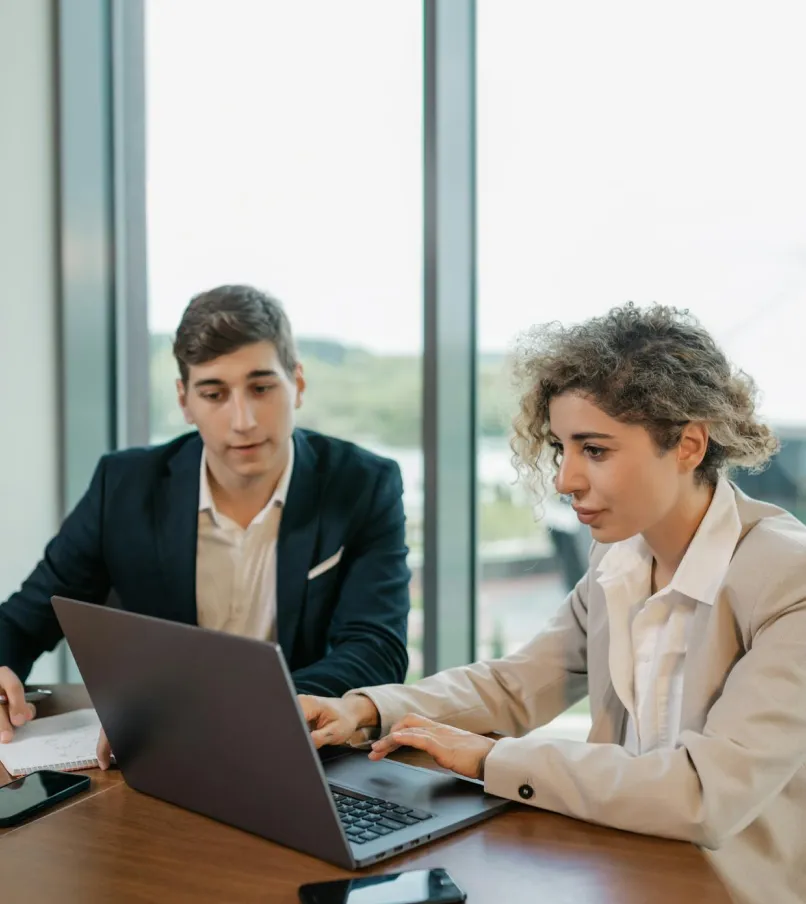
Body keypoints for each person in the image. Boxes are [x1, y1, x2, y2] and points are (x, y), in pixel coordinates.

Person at [300, 303, 806, 904]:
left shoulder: (788, 578)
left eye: (594, 450)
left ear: (690, 445)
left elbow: (702, 791)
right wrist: (365, 708)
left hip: (727, 890)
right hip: (616, 866)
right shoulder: (618, 561)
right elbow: (516, 686)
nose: (565, 479)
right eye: (562, 447)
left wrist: (492, 758)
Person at [0, 285, 411, 752]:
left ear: (297, 384)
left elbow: (377, 650)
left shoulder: (363, 483)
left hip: (298, 751)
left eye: (261, 388)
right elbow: (25, 617)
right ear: (184, 401)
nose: (243, 420)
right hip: (158, 760)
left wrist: (215, 710)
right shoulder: (124, 486)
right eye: (214, 394)